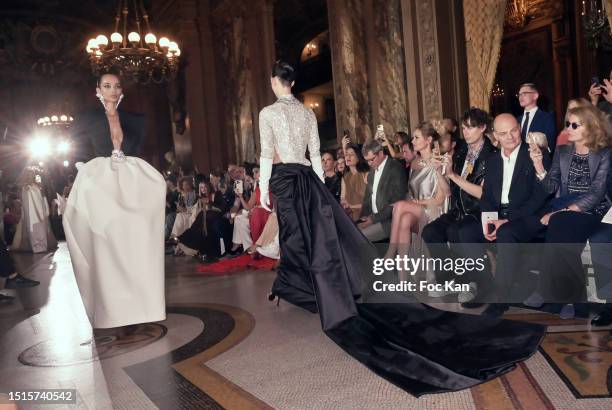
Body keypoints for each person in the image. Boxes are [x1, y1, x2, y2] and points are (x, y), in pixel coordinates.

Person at [261, 60, 545, 397]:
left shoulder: (268, 114)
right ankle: (310, 286)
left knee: (299, 240)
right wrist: (321, 193)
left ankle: (310, 287)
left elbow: (268, 153)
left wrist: (265, 189)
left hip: (285, 180)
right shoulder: (306, 115)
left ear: (274, 81)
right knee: (311, 241)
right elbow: (313, 156)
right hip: (309, 182)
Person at [64, 70, 166, 329]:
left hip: (130, 183)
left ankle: (140, 308)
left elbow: (138, 150)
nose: (112, 90)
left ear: (121, 91)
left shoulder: (136, 120)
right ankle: (111, 310)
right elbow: (73, 147)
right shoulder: (86, 118)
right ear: (97, 90)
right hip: (99, 185)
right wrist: (81, 169)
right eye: (106, 85)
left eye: (116, 86)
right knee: (106, 246)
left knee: (136, 243)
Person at [456, 114, 550, 312]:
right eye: (503, 133)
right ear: (495, 136)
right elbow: (488, 196)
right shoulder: (493, 160)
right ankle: (484, 287)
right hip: (501, 214)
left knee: (505, 233)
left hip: (528, 216)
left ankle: (500, 299)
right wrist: (488, 221)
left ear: (520, 129)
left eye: (514, 130)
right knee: (466, 232)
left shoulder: (534, 153)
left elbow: (539, 198)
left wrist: (505, 220)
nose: (510, 137)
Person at [529, 105, 612, 314]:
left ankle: (547, 289)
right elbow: (551, 187)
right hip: (565, 208)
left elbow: (596, 194)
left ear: (591, 127)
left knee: (558, 224)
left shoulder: (604, 153)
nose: (569, 128)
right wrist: (538, 165)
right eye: (568, 123)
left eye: (575, 124)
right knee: (564, 238)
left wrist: (562, 211)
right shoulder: (563, 151)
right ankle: (572, 300)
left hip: (594, 210)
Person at [422, 108, 497, 284]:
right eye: (463, 128)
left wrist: (453, 175)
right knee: (430, 232)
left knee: (455, 231)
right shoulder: (462, 153)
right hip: (459, 211)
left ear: (482, 127)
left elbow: (483, 194)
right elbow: (448, 191)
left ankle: (473, 281)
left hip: (480, 212)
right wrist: (439, 172)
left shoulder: (492, 156)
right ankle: (448, 278)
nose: (466, 132)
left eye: (470, 128)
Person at [383, 122, 449, 267]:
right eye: (413, 138)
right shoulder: (414, 163)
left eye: (417, 138)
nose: (412, 141)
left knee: (400, 206)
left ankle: (390, 251)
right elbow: (411, 193)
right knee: (405, 219)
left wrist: (413, 204)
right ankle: (403, 279)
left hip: (434, 210)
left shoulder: (440, 160)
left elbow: (441, 199)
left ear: (429, 140)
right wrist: (410, 203)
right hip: (416, 209)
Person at [358, 139, 407, 241]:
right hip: (374, 218)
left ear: (380, 153)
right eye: (367, 160)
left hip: (390, 220)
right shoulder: (371, 173)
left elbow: (397, 202)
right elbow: (368, 198)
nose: (370, 163)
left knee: (359, 238)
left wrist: (373, 219)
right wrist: (363, 218)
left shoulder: (395, 167)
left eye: (372, 159)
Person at [516, 83, 557, 149]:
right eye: (519, 94)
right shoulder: (517, 120)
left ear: (535, 96)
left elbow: (550, 145)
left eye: (524, 94)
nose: (520, 97)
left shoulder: (547, 118)